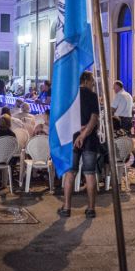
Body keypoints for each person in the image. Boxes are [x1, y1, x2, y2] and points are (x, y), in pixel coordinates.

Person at [59, 71, 100, 219]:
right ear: (87, 80)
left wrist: (79, 132)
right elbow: (94, 118)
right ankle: (90, 209)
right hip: (89, 140)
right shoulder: (92, 96)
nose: (93, 83)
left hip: (72, 139)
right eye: (92, 81)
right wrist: (84, 133)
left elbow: (65, 119)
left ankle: (67, 208)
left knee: (70, 173)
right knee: (90, 174)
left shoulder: (71, 96)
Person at [111, 81, 135, 166]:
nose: (113, 89)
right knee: (128, 139)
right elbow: (132, 108)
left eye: (114, 87)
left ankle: (119, 158)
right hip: (128, 119)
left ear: (118, 87)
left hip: (120, 119)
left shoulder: (119, 95)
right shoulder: (128, 95)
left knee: (117, 138)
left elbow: (112, 108)